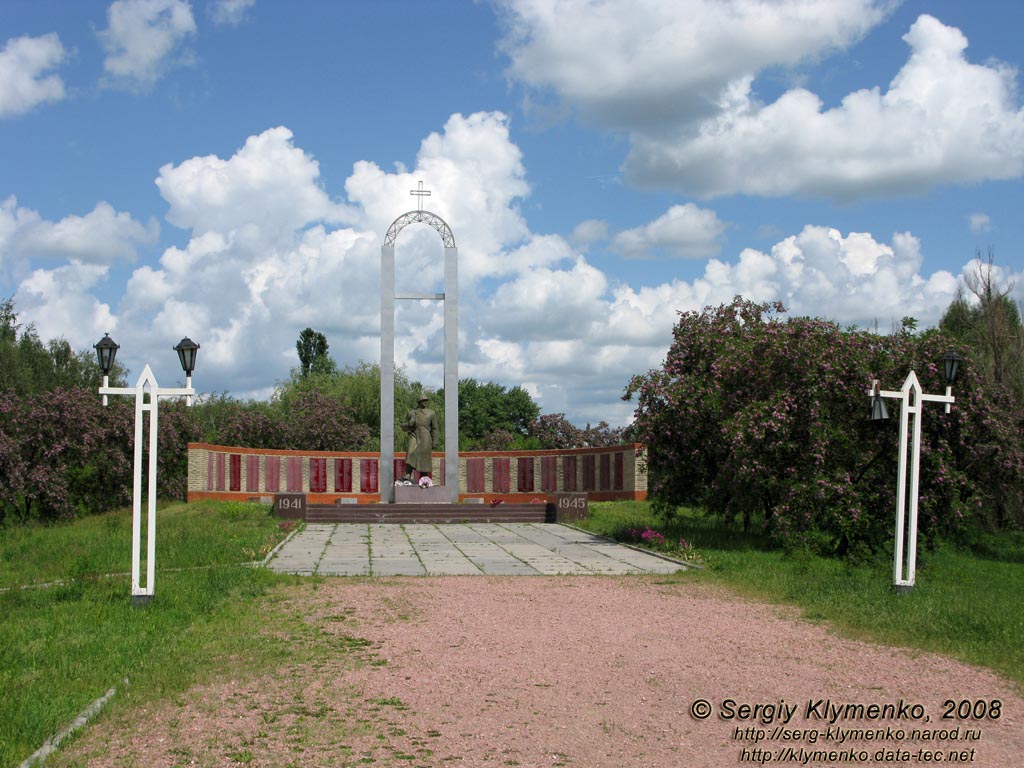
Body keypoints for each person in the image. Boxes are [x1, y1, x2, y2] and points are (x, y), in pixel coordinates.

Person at [403, 395, 439, 481]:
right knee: (410, 452)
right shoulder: (412, 412)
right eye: (423, 400)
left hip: (425, 436)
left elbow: (435, 428)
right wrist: (408, 424)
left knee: (424, 457)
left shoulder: (431, 413)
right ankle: (408, 473)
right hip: (414, 434)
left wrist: (435, 441)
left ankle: (424, 478)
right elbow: (403, 427)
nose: (425, 402)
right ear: (419, 402)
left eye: (426, 400)